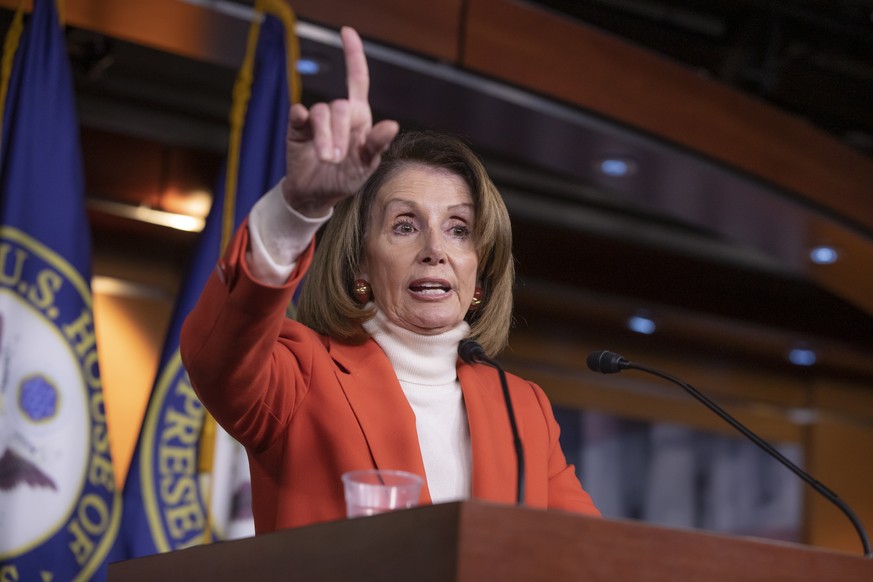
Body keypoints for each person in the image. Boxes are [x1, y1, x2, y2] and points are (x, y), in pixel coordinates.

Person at [180, 26, 599, 533]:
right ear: (360, 262)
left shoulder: (522, 408)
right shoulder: (304, 376)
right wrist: (296, 212)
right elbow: (216, 358)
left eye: (459, 229)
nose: (434, 251)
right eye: (405, 225)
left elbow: (589, 553)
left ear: (481, 272)